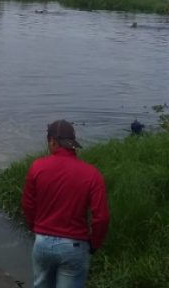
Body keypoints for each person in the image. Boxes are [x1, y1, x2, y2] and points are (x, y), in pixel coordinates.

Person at [22, 119, 110, 288]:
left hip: (43, 243)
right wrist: (94, 244)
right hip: (75, 247)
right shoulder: (92, 174)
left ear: (53, 141)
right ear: (72, 144)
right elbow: (102, 217)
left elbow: (28, 205)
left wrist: (36, 228)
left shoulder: (37, 167)